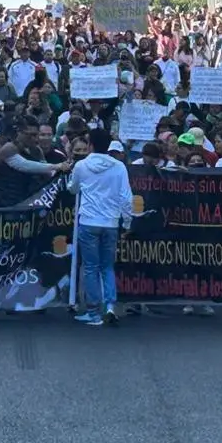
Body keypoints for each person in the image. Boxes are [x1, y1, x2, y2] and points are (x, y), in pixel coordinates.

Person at [70, 129, 134, 327]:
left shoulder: (81, 165)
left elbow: (73, 188)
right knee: (107, 266)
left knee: (90, 267)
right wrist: (127, 221)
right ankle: (110, 306)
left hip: (89, 221)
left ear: (90, 145)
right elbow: (126, 197)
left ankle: (93, 312)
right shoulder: (119, 167)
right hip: (111, 222)